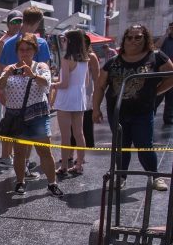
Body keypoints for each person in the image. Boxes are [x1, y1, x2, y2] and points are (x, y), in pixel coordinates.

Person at [93, 24, 173, 191]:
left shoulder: (156, 57)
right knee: (121, 146)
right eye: (130, 37)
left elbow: (171, 76)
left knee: (144, 145)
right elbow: (100, 86)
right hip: (118, 112)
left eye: (138, 37)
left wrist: (155, 92)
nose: (133, 41)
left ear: (145, 38)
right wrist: (95, 109)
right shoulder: (113, 62)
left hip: (143, 112)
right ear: (125, 39)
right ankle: (121, 177)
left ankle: (154, 176)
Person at [0, 33, 64, 197]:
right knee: (19, 152)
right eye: (21, 50)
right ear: (17, 51)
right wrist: (6, 75)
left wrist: (32, 74)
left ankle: (52, 183)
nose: (24, 53)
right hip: (16, 117)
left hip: (37, 116)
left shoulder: (41, 66)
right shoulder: (10, 68)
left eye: (28, 49)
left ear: (34, 50)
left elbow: (47, 84)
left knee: (44, 152)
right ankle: (20, 182)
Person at [0, 6, 52, 181]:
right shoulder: (41, 43)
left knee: (20, 143)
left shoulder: (7, 42)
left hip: (13, 99)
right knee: (38, 145)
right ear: (37, 22)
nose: (24, 52)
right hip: (35, 102)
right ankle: (27, 172)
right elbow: (44, 71)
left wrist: (3, 94)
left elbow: (0, 70)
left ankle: (22, 174)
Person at [52, 29, 89, 176]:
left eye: (64, 39)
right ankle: (79, 164)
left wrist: (52, 84)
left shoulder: (67, 58)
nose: (62, 42)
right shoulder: (85, 59)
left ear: (70, 41)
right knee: (79, 133)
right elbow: (85, 82)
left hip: (66, 98)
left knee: (65, 135)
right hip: (79, 97)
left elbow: (65, 83)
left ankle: (64, 167)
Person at [0, 10, 22, 167]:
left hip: (22, 89)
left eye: (20, 21)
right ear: (8, 24)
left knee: (19, 124)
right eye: (14, 22)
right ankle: (5, 156)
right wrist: (1, 90)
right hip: (8, 89)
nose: (17, 25)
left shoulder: (23, 39)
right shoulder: (2, 43)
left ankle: (16, 156)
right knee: (8, 122)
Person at [68, 33, 99, 161]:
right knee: (70, 126)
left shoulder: (91, 56)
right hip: (71, 94)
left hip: (86, 95)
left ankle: (81, 156)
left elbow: (97, 78)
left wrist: (97, 98)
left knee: (84, 126)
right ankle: (69, 154)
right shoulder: (70, 56)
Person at [155, 21, 173, 124]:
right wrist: (166, 33)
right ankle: (151, 114)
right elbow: (155, 46)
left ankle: (168, 118)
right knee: (157, 96)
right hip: (162, 72)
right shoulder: (165, 39)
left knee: (171, 98)